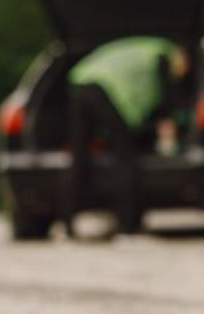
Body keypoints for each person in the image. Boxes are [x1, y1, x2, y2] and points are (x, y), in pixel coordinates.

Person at [64, 36, 190, 236]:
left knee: (79, 155)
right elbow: (167, 97)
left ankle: (67, 223)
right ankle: (127, 223)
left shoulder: (141, 48)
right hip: (106, 89)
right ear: (181, 57)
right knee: (125, 155)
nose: (181, 74)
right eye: (184, 69)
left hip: (80, 81)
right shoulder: (162, 54)